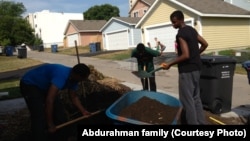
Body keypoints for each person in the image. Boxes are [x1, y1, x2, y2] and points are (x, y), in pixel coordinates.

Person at [20, 63, 91, 141]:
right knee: (39, 115)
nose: (82, 81)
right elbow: (49, 101)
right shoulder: (61, 76)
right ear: (77, 75)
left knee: (59, 113)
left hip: (45, 86)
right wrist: (50, 124)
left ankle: (60, 137)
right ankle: (39, 136)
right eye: (83, 78)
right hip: (30, 84)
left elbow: (73, 97)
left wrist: (83, 111)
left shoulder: (74, 79)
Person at [160, 10, 208, 124]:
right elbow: (205, 44)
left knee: (188, 101)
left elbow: (185, 55)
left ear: (181, 20)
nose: (173, 25)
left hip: (187, 71)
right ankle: (202, 123)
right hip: (197, 68)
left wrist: (169, 64)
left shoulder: (181, 34)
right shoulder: (192, 30)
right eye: (172, 22)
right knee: (196, 98)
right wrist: (196, 54)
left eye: (174, 22)